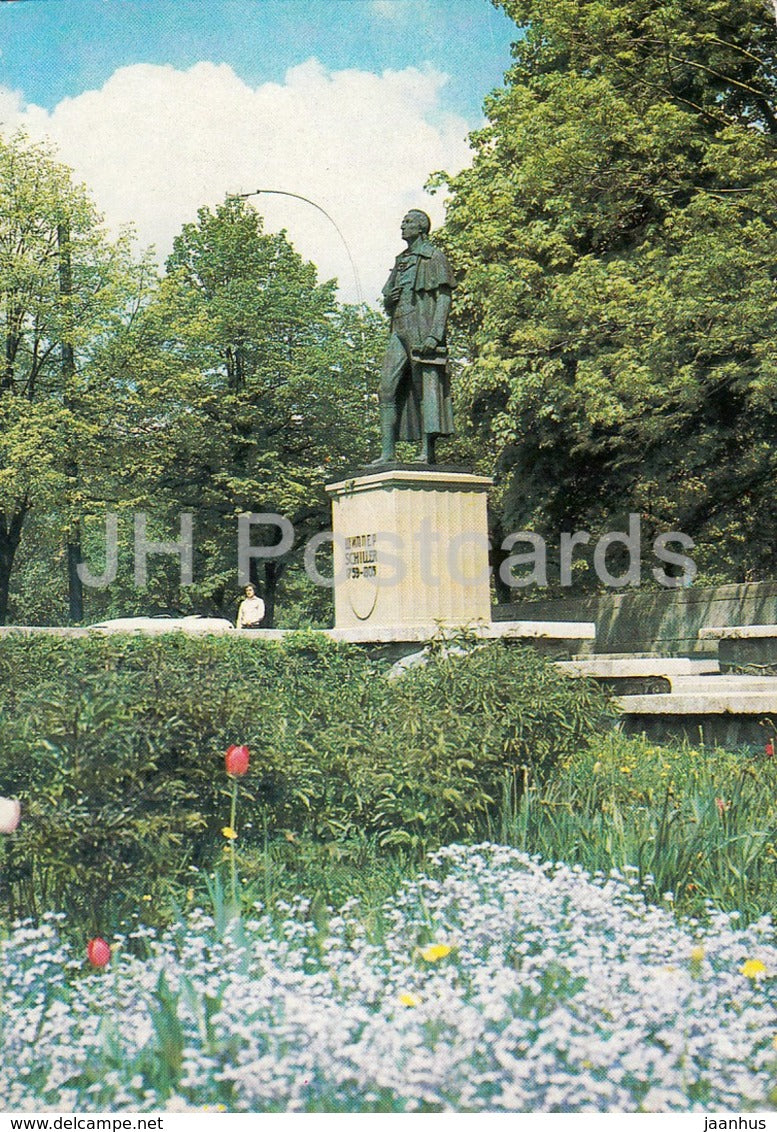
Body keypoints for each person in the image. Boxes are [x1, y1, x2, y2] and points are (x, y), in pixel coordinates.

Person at [373, 209, 455, 465]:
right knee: (386, 388)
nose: (402, 225)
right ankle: (387, 453)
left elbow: (444, 297)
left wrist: (435, 335)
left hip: (421, 328)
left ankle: (426, 451)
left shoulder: (434, 256)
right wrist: (390, 298)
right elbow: (388, 298)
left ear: (421, 228)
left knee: (425, 388)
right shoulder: (401, 261)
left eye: (407, 222)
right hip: (398, 328)